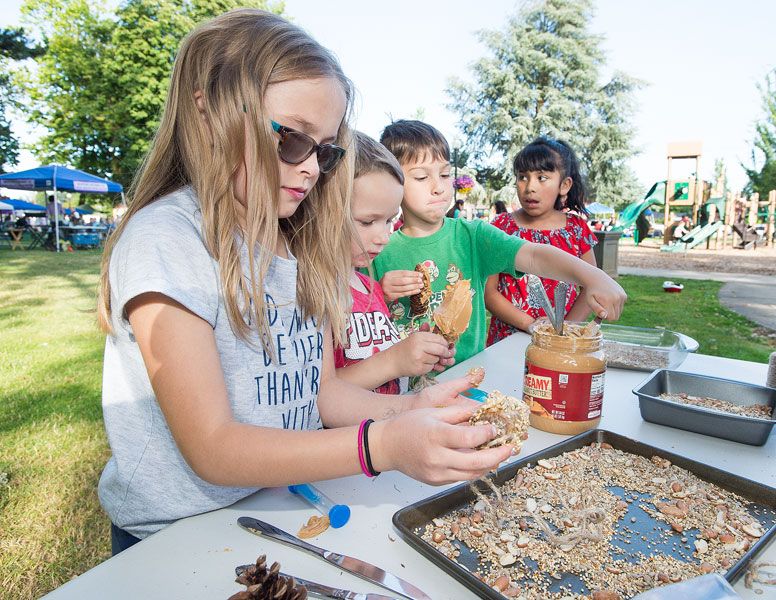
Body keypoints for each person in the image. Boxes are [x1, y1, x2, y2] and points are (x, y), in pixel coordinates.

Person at [95, 10, 513, 556]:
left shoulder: (290, 244)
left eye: (326, 148)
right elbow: (214, 448)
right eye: (292, 139)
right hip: (171, 539)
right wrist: (382, 444)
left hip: (264, 509)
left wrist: (409, 411)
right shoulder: (167, 242)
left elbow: (320, 394)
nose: (313, 167)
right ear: (210, 112)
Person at [372, 120, 625, 366]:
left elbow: (535, 256)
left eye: (445, 174)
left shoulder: (474, 235)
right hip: (399, 390)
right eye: (421, 177)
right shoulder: (377, 248)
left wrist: (594, 277)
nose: (438, 187)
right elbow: (351, 324)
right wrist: (379, 294)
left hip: (466, 380)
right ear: (393, 181)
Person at [334, 132, 455, 394]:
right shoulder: (318, 293)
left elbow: (376, 356)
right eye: (368, 222)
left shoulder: (371, 288)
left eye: (390, 220)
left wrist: (417, 354)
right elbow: (320, 392)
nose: (385, 236)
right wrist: (395, 361)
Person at [484, 138, 599, 345]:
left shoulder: (576, 229)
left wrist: (563, 330)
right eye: (522, 177)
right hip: (506, 340)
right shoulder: (500, 228)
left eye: (542, 177)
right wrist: (532, 325)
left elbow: (591, 285)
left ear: (564, 185)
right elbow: (488, 291)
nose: (530, 187)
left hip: (561, 343)